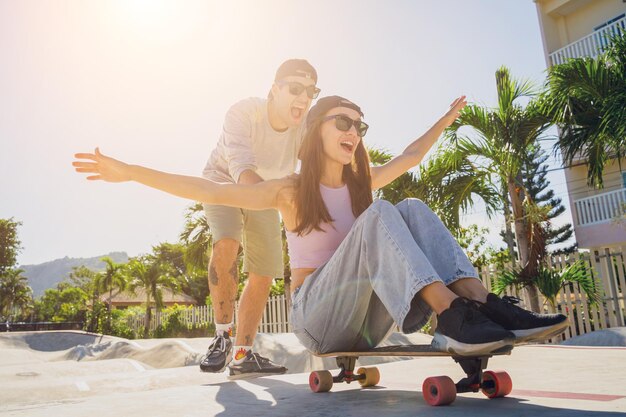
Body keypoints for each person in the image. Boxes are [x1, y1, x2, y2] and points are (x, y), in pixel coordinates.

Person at [73, 95, 568, 360]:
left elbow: (413, 156)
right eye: (343, 122)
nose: (354, 132)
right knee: (381, 214)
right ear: (317, 132)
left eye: (359, 125)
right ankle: (453, 319)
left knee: (411, 206)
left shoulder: (362, 186)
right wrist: (131, 171)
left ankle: (483, 305)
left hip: (365, 323)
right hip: (315, 321)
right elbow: (213, 192)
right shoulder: (290, 191)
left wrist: (444, 119)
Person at [199, 59, 319, 378]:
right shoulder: (243, 113)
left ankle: (242, 354)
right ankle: (222, 337)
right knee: (227, 243)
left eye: (311, 91)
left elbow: (315, 171)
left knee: (264, 270)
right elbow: (241, 167)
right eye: (295, 89)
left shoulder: (306, 127)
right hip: (224, 180)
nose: (304, 98)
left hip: (268, 189)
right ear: (274, 90)